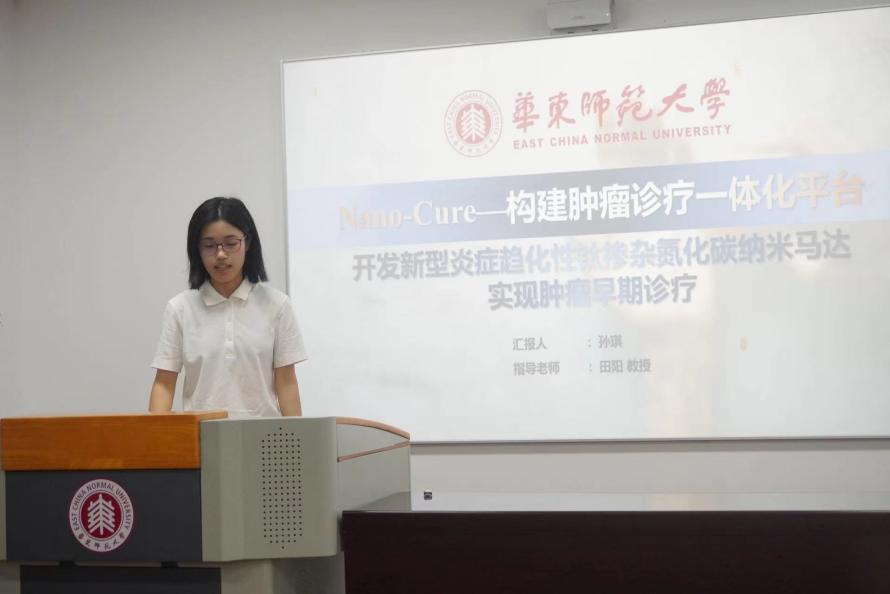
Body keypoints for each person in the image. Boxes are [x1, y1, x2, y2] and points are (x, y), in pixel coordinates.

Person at [148, 197, 306, 417]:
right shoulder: (180, 308)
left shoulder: (277, 305)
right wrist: (155, 435)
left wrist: (296, 437)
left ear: (247, 243)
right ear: (197, 249)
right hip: (201, 434)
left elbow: (286, 383)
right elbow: (164, 383)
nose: (221, 254)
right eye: (209, 245)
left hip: (264, 435)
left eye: (231, 243)